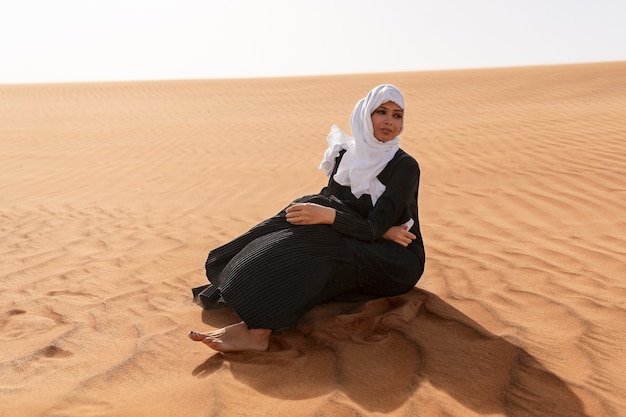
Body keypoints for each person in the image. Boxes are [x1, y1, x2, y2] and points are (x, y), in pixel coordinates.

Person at [189, 84, 425, 352]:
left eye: (397, 115)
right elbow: (336, 201)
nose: (389, 121)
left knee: (315, 243)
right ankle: (232, 285)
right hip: (371, 235)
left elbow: (369, 225)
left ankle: (256, 331)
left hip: (395, 258)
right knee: (298, 212)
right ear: (364, 115)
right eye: (381, 111)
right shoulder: (346, 153)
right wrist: (372, 227)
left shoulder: (404, 166)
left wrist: (367, 227)